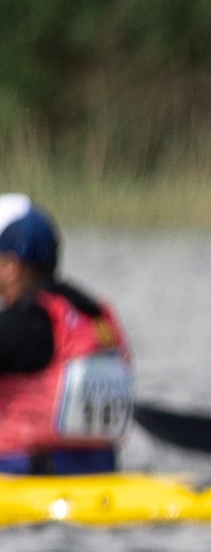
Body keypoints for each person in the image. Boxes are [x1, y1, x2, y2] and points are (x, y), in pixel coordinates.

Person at [0, 197, 131, 476]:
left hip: (22, 473)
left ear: (11, 266)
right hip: (100, 470)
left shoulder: (23, 323)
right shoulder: (94, 313)